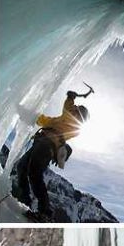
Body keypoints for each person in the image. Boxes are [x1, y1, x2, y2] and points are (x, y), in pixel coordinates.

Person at [13, 85, 93, 218]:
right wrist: (23, 111)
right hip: (40, 144)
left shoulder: (74, 124)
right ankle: (25, 201)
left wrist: (70, 97)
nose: (75, 110)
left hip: (47, 146)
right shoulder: (60, 121)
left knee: (34, 173)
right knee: (22, 167)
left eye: (78, 110)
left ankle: (45, 212)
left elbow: (68, 108)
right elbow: (44, 120)